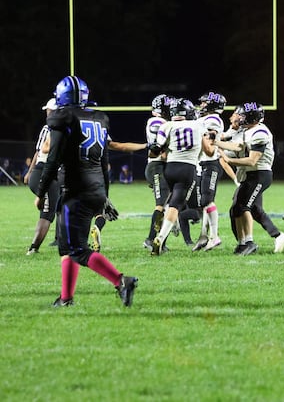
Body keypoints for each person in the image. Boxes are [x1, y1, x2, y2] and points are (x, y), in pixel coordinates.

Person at [34, 75, 137, 307]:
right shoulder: (99, 118)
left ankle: (121, 281)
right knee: (66, 246)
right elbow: (104, 161)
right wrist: (105, 196)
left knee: (77, 250)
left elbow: (52, 160)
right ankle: (66, 297)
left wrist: (40, 193)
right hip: (96, 189)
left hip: (76, 190)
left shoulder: (63, 117)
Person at [216, 102, 284, 255]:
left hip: (259, 174)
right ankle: (244, 243)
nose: (240, 118)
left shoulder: (259, 133)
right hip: (251, 174)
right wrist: (217, 143)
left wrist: (229, 160)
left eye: (243, 115)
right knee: (237, 208)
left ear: (251, 117)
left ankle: (249, 242)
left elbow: (252, 160)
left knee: (244, 207)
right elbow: (239, 147)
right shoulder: (249, 131)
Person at [150, 98, 216, 255]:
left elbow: (154, 152)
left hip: (170, 168)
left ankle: (158, 234)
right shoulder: (198, 125)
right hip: (187, 169)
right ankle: (160, 237)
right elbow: (209, 152)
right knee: (175, 205)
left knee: (167, 203)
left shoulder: (166, 125)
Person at [191, 91, 234, 251]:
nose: (201, 106)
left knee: (207, 200)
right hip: (203, 164)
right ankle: (203, 236)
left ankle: (214, 236)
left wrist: (198, 129)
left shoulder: (212, 119)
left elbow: (209, 148)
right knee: (203, 203)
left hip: (210, 163)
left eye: (204, 103)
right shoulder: (205, 119)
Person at [24, 98, 63, 255]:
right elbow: (42, 151)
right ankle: (33, 248)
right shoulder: (51, 129)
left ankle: (63, 239)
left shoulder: (59, 128)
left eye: (49, 110)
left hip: (51, 174)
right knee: (48, 211)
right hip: (43, 172)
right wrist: (29, 171)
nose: (47, 113)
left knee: (61, 204)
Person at [143, 94, 173, 252]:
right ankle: (150, 238)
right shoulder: (157, 122)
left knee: (167, 205)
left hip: (161, 166)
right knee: (161, 204)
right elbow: (158, 149)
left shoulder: (163, 122)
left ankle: (160, 239)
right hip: (157, 166)